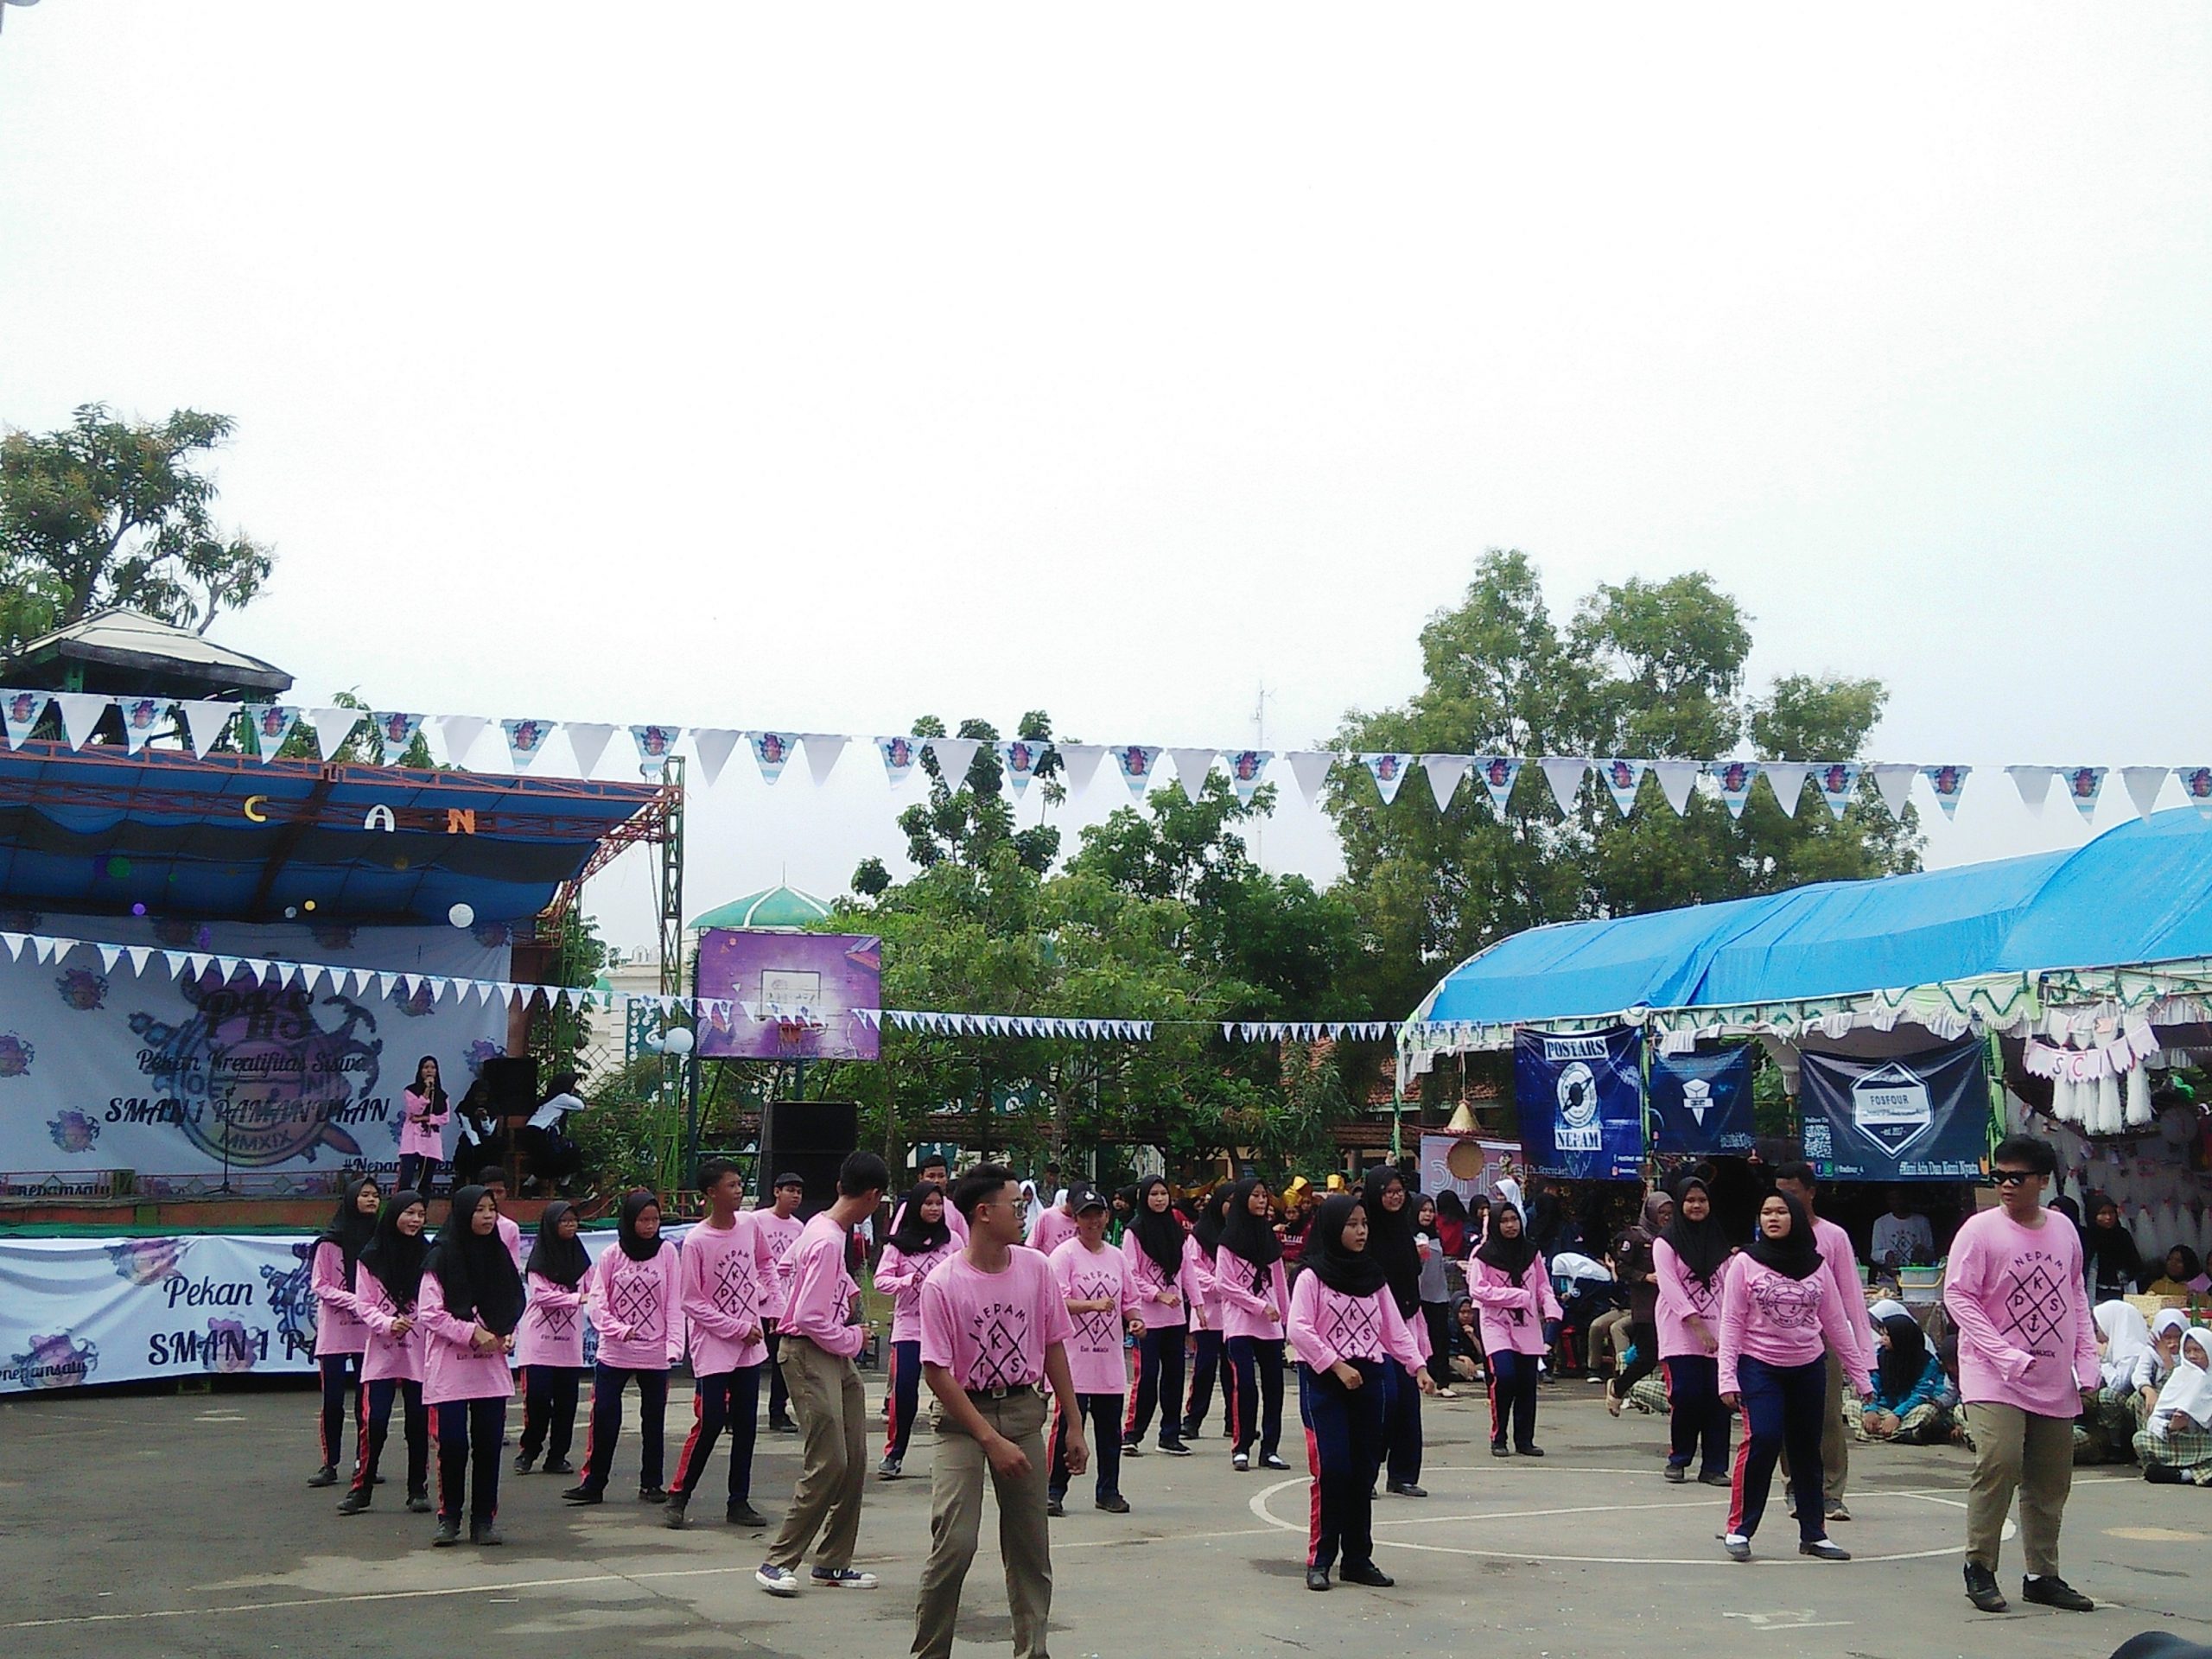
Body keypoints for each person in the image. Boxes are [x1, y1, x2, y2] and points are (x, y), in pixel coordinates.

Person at [911, 1163, 1081, 1659]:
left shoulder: (1036, 1268)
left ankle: (1033, 1649)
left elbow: (1053, 1346)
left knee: (1031, 1547)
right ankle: (930, 1651)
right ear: (984, 1213)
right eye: (1016, 1205)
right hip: (963, 1423)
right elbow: (938, 1372)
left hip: (1025, 1411)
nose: (1024, 1213)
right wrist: (989, 1438)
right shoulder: (943, 1283)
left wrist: (1073, 1423)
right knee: (955, 1544)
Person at [1944, 1135, 2101, 1612]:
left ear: (2042, 1180)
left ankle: (2042, 1575)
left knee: (2051, 1479)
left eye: (2017, 1178)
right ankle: (1979, 1566)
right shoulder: (1979, 1230)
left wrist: (2086, 1359)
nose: (2006, 1186)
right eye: (1999, 1177)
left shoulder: (2063, 1230)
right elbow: (1958, 1297)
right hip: (1992, 1373)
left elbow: (2074, 1293)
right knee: (2000, 1460)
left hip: (2052, 1374)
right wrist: (2004, 1354)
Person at [755, 1149, 888, 1598]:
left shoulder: (819, 1227)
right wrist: (853, 1338)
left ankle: (833, 1561)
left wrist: (843, 1290)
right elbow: (810, 1317)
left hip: (831, 1352)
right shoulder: (828, 1239)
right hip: (811, 1351)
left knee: (854, 1459)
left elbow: (788, 1267)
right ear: (873, 1197)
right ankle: (777, 1560)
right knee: (829, 1460)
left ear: (839, 1187)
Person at [1288, 1193, 1434, 1592]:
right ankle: (1320, 1558)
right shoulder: (1312, 1276)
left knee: (1364, 1471)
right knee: (1333, 1468)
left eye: (1364, 1224)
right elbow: (1298, 1328)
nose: (1360, 1231)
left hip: (1371, 1379)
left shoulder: (1373, 1276)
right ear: (1334, 1227)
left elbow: (1394, 1329)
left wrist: (1417, 1366)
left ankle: (1357, 1558)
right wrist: (1335, 1364)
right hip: (1325, 1381)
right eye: (1352, 1224)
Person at [1716, 1190, 1860, 1563]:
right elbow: (1731, 1322)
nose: (1773, 1218)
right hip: (1759, 1364)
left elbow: (1835, 1323)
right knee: (1763, 1438)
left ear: (1795, 1216)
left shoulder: (1817, 1265)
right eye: (1766, 1212)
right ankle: (1740, 1529)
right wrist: (1727, 1377)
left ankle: (1814, 1534)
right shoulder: (1745, 1263)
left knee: (1806, 1449)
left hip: (1808, 1365)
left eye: (1781, 1211)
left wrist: (1862, 1376)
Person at [419, 1183, 525, 1545]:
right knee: (452, 1444)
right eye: (479, 1210)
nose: (486, 1216)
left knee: (488, 1443)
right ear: (464, 1213)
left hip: (490, 1369)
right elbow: (430, 1312)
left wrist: (507, 1332)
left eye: (491, 1210)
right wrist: (470, 1333)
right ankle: (449, 1517)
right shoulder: (441, 1255)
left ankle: (484, 1520)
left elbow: (512, 1302)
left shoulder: (499, 1256)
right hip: (451, 1367)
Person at [668, 1159, 771, 1529]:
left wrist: (767, 1304)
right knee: (711, 1420)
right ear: (712, 1193)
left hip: (749, 1344)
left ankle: (738, 1500)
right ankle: (679, 1494)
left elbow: (765, 1264)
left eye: (740, 1183)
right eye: (731, 1185)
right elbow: (691, 1301)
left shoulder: (749, 1224)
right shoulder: (697, 1241)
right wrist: (735, 1327)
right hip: (714, 1345)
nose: (739, 1190)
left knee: (746, 1424)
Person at [1770, 1161, 1874, 1524]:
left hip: (1823, 1338)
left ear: (1811, 1193)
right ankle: (1795, 1486)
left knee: (1827, 1416)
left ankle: (1831, 1492)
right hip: (1778, 1340)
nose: (1785, 1204)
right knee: (1785, 1417)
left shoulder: (1833, 1237)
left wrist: (1864, 1355)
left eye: (1793, 1194)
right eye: (1779, 1195)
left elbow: (1851, 1297)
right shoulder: (1770, 1235)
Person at [565, 1191, 683, 1505]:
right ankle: (594, 1484)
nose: (649, 1226)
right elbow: (598, 1301)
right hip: (615, 1351)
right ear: (630, 1221)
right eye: (643, 1220)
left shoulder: (667, 1253)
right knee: (604, 1417)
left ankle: (651, 1483)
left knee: (653, 1420)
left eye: (655, 1220)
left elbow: (674, 1301)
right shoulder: (613, 1255)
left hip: (655, 1352)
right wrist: (618, 1329)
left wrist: (673, 1344)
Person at [1047, 1185, 1141, 1516]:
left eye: (1097, 1215)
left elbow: (1130, 1299)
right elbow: (1056, 1302)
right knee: (1067, 1428)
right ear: (1076, 1219)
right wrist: (1090, 1305)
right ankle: (1054, 1488)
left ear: (1106, 1217)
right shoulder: (1065, 1255)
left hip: (1108, 1361)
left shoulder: (1116, 1257)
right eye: (1085, 1216)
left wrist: (1134, 1319)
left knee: (1109, 1431)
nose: (1092, 1222)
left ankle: (1108, 1489)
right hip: (1075, 1361)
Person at [340, 1188, 431, 1516]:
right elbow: (363, 1303)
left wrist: (414, 1319)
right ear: (394, 1215)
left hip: (418, 1350)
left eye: (421, 1215)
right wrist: (387, 1323)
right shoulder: (371, 1256)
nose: (415, 1220)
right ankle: (361, 1487)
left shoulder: (428, 1254)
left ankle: (417, 1488)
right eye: (409, 1213)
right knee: (374, 1419)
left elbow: (435, 1299)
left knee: (418, 1421)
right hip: (381, 1349)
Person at [1653, 1173, 1733, 1484]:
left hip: (1719, 1330)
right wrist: (1697, 1326)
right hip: (1679, 1331)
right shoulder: (1666, 1242)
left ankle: (1714, 1466)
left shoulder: (1719, 1242)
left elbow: (1729, 1288)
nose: (1696, 1205)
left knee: (1718, 1399)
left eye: (1702, 1200)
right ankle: (1679, 1458)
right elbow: (1670, 1287)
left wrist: (1728, 1331)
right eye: (1690, 1200)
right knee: (1686, 1395)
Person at [876, 1182, 958, 1480]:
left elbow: (967, 1274)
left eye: (938, 1203)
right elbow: (880, 1280)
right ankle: (894, 1453)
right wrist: (906, 1281)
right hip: (909, 1329)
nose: (934, 1209)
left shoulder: (954, 1242)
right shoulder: (898, 1245)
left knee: (949, 1394)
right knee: (905, 1392)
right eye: (928, 1204)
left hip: (944, 1330)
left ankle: (950, 1454)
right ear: (915, 1208)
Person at [1470, 1197, 1559, 1457]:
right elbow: (1478, 1290)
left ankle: (1524, 1439)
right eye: (1504, 1221)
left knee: (1526, 1383)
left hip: (1527, 1324)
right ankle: (1499, 1436)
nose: (1510, 1226)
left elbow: (1542, 1285)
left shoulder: (1531, 1253)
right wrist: (1515, 1296)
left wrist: (1551, 1307)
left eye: (1514, 1220)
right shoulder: (1483, 1255)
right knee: (1505, 1376)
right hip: (1495, 1323)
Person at [1360, 1166, 1430, 1497]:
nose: (1395, 1196)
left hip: (1407, 1321)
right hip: (1373, 1329)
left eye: (1399, 1190)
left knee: (1407, 1402)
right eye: (1388, 1191)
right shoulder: (1364, 1232)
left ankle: (1402, 1474)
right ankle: (1366, 1473)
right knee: (1381, 1401)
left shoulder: (1405, 1229)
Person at [1216, 1176, 1293, 1473]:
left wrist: (1286, 1321)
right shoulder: (1228, 1241)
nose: (1261, 1201)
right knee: (1245, 1384)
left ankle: (1270, 1448)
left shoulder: (1269, 1239)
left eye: (1265, 1196)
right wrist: (1260, 1306)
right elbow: (1225, 1284)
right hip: (1240, 1324)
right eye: (1256, 1196)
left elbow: (1279, 1283)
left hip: (1270, 1326)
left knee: (1275, 1385)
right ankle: (1242, 1446)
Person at [306, 1175, 378, 1487]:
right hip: (335, 1329)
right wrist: (354, 1300)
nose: (372, 1200)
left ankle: (366, 1463)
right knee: (333, 1400)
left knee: (367, 1402)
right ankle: (330, 1463)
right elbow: (320, 1284)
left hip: (368, 1329)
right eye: (365, 1195)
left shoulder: (380, 1240)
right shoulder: (329, 1242)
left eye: (375, 1195)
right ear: (351, 1199)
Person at [1122, 1174, 1199, 1457]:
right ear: (1144, 1197)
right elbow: (1130, 1275)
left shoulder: (1175, 1230)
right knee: (1148, 1377)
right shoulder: (1135, 1231)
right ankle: (1132, 1433)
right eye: (1153, 1194)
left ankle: (1169, 1434)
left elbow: (1187, 1270)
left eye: (1163, 1194)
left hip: (1175, 1318)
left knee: (1174, 1377)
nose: (1159, 1199)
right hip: (1147, 1319)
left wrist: (1198, 1305)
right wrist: (1158, 1294)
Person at [515, 1198, 589, 1477]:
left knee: (567, 1403)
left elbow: (593, 1289)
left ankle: (558, 1455)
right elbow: (542, 1295)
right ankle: (529, 1450)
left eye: (573, 1221)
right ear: (551, 1224)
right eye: (564, 1221)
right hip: (539, 1343)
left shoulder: (580, 1259)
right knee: (537, 1399)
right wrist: (575, 1298)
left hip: (569, 1344)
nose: (570, 1226)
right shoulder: (538, 1260)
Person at [1605, 1191, 1673, 1419]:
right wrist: (1645, 1277)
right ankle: (1619, 1387)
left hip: (1672, 1306)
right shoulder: (1635, 1237)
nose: (1665, 1217)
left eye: (1670, 1213)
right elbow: (1622, 1267)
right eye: (1661, 1213)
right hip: (1646, 1307)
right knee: (1647, 1357)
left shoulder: (1675, 1237)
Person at [753, 1173, 808, 1433]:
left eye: (799, 1191)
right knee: (749, 1359)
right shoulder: (757, 1221)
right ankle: (735, 1414)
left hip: (784, 1305)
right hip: (756, 1302)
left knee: (782, 1360)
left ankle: (778, 1411)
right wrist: (759, 1290)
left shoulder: (799, 1228)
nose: (795, 1196)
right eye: (790, 1190)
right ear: (776, 1192)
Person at [1180, 1184, 1233, 1442]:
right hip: (1208, 1311)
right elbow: (1192, 1270)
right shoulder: (1199, 1235)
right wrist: (1219, 1283)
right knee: (1204, 1367)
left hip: (1235, 1313)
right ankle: (1193, 1420)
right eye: (1229, 1201)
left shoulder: (1240, 1235)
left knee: (1233, 1369)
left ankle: (1234, 1421)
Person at [1860, 1311, 1955, 1446]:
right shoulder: (1881, 1357)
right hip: (1884, 1408)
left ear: (1901, 1337)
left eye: (1887, 1335)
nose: (1882, 1340)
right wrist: (1871, 1409)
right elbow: (1873, 1384)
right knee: (1852, 1406)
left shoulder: (1926, 1362)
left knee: (1927, 1410)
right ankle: (1898, 1434)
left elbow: (1921, 1394)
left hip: (1908, 1411)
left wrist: (1897, 1415)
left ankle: (1881, 1434)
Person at [2135, 1326, 2212, 1484]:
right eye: (2188, 1351)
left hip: (2206, 1442)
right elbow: (2154, 1420)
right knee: (2141, 1439)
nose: (2192, 1356)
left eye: (2198, 1350)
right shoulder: (2178, 1377)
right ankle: (2198, 1474)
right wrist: (2171, 1426)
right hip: (2178, 1441)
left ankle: (2184, 1475)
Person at [1413, 1195, 1458, 1397]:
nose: (1428, 1214)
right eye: (1423, 1210)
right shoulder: (1408, 1235)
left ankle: (1442, 1383)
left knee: (1440, 1337)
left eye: (1431, 1211)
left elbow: (1439, 1262)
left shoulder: (1435, 1236)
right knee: (1419, 1338)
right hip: (1417, 1293)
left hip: (1438, 1293)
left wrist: (1456, 1264)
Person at [522, 1071, 588, 1193]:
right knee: (569, 1153)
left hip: (533, 1134)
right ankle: (563, 1185)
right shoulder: (561, 1098)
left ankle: (528, 1185)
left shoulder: (548, 1100)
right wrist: (574, 1095)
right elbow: (580, 1106)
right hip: (540, 1135)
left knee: (566, 1152)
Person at [889, 1153, 969, 1245]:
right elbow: (894, 1239)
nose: (937, 1181)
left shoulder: (955, 1209)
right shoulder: (907, 1207)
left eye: (941, 1176)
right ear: (921, 1178)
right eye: (931, 1176)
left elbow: (965, 1243)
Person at [397, 1058, 449, 1197]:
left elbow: (445, 1118)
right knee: (406, 1180)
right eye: (426, 1067)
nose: (429, 1070)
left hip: (430, 1142)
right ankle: (401, 1210)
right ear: (420, 1071)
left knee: (425, 1182)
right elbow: (415, 1110)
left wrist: (425, 1118)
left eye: (432, 1068)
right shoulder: (410, 1091)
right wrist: (426, 1091)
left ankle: (421, 1213)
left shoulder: (442, 1095)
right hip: (412, 1142)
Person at [2082, 1192, 2144, 1304]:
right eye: (2103, 1213)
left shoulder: (2122, 1236)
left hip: (2122, 1295)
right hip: (2096, 1296)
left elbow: (2132, 1269)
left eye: (2111, 1213)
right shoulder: (2089, 1238)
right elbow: (2089, 1271)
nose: (2108, 1217)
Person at [1870, 1187, 1936, 1269]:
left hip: (1916, 1275)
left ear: (1907, 1199)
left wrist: (1922, 1252)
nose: (1897, 1202)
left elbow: (1931, 1253)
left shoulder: (1922, 1222)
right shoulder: (1881, 1223)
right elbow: (1874, 1254)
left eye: (1900, 1198)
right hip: (1890, 1278)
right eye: (1892, 1199)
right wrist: (1886, 1255)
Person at [479, 1166, 525, 1269]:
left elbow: (514, 1267)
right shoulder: (466, 1222)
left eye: (499, 1192)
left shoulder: (511, 1227)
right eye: (490, 1192)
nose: (494, 1197)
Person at [1026, 1185, 1079, 1255]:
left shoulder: (1082, 1221)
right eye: (1074, 1206)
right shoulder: (1047, 1216)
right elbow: (1031, 1245)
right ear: (1067, 1201)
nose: (1076, 1210)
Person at [2145, 1246, 2210, 1299]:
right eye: (2170, 1259)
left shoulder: (2200, 1285)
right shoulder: (2158, 1286)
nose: (2173, 1264)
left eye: (2179, 1261)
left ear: (2188, 1264)